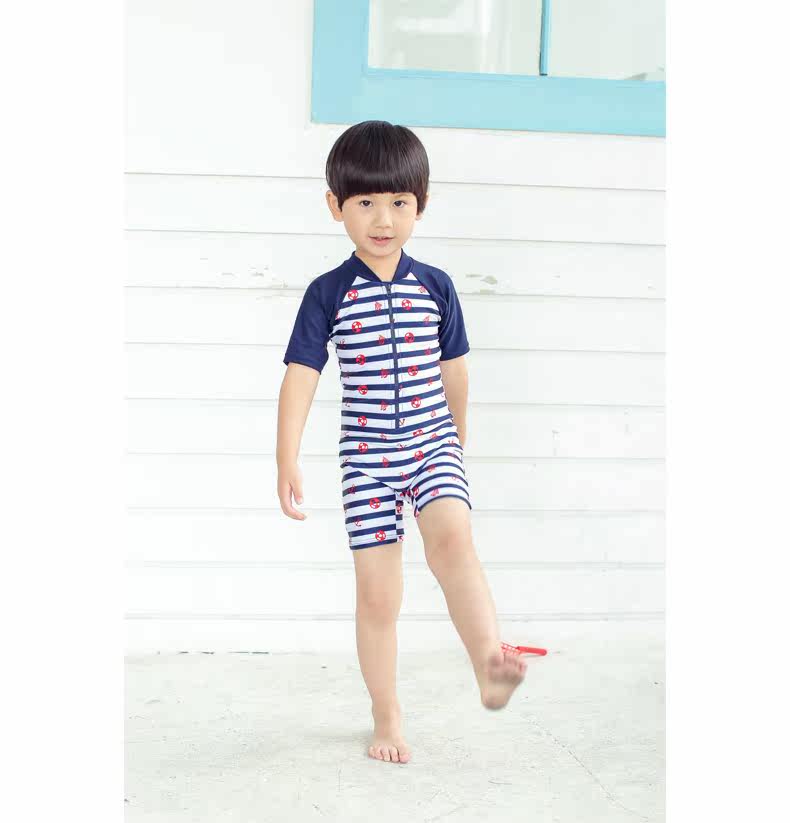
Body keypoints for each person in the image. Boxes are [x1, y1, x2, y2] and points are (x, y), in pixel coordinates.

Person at [276, 120, 526, 764]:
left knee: (453, 539)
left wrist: (456, 443)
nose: (382, 219)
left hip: (432, 444)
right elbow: (302, 374)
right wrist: (286, 456)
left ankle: (490, 663)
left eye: (398, 202)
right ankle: (386, 716)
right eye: (364, 202)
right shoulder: (328, 294)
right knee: (378, 596)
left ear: (422, 204)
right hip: (367, 463)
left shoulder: (435, 286)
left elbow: (455, 372)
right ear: (335, 206)